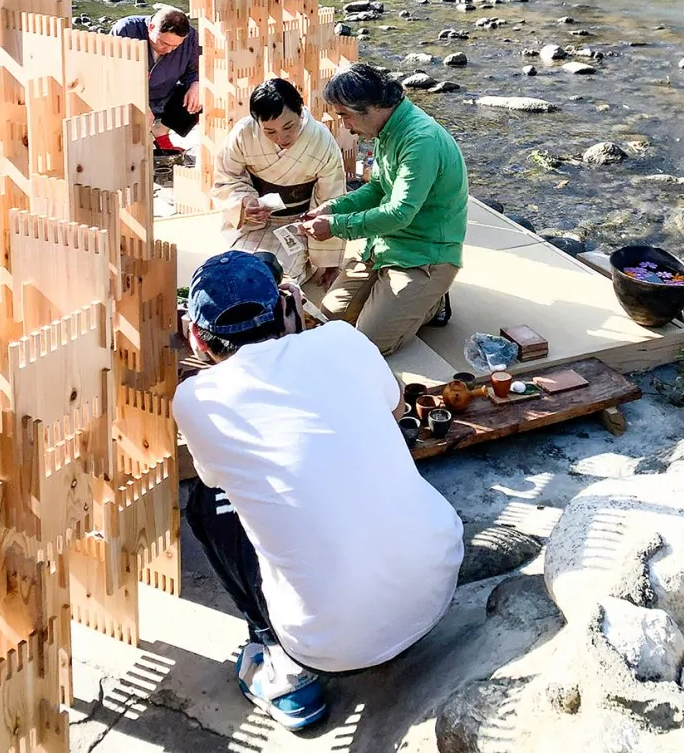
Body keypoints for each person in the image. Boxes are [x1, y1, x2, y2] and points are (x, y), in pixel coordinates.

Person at [172, 251, 464, 731]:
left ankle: (280, 663)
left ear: (196, 337)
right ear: (287, 308)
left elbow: (213, 478)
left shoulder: (197, 398)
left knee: (210, 505)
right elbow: (394, 410)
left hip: (330, 644)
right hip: (436, 589)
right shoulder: (343, 339)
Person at [300, 63, 468, 356]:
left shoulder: (421, 140)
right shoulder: (387, 128)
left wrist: (336, 226)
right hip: (384, 244)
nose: (345, 125)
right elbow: (378, 188)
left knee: (369, 343)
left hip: (425, 253)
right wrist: (334, 207)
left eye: (344, 115)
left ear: (370, 107)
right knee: (331, 317)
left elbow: (399, 213)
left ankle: (432, 301)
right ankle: (401, 299)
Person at [211, 78, 346, 286]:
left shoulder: (321, 141)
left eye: (288, 126)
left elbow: (331, 197)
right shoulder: (243, 133)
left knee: (279, 277)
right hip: (254, 222)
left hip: (299, 222)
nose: (282, 138)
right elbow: (226, 178)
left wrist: (331, 263)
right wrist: (245, 203)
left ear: (300, 111)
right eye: (270, 131)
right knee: (236, 272)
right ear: (257, 122)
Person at [110, 6, 201, 153]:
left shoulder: (190, 37)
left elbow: (193, 70)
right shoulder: (126, 30)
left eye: (175, 46)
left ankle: (161, 130)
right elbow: (113, 73)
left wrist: (196, 84)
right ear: (151, 27)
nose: (169, 50)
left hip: (166, 95)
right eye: (164, 43)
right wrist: (140, 104)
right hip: (130, 96)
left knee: (202, 92)